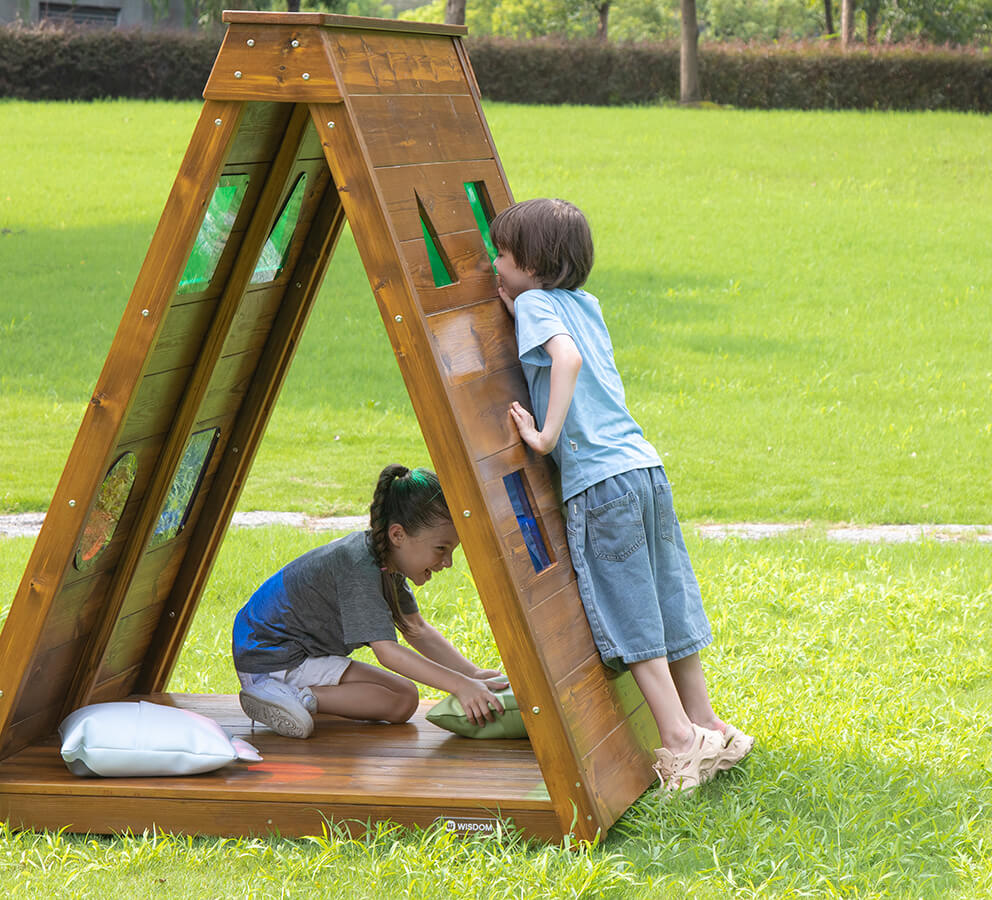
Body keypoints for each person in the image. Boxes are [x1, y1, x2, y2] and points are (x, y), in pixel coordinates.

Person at [489, 197, 753, 793]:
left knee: (628, 610)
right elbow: (575, 347)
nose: (494, 264)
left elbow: (567, 359)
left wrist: (544, 435)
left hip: (600, 481)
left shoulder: (532, 304)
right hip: (643, 467)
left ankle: (680, 742)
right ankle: (709, 725)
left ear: (531, 264)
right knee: (665, 596)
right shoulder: (584, 304)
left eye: (502, 254)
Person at [232, 464, 509, 739]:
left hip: (284, 654)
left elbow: (416, 629)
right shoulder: (359, 566)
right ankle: (285, 696)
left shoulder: (385, 562)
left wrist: (471, 674)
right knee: (402, 698)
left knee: (403, 698)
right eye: (441, 548)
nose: (447, 562)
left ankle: (293, 697)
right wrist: (460, 685)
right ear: (398, 535)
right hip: (273, 656)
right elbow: (387, 653)